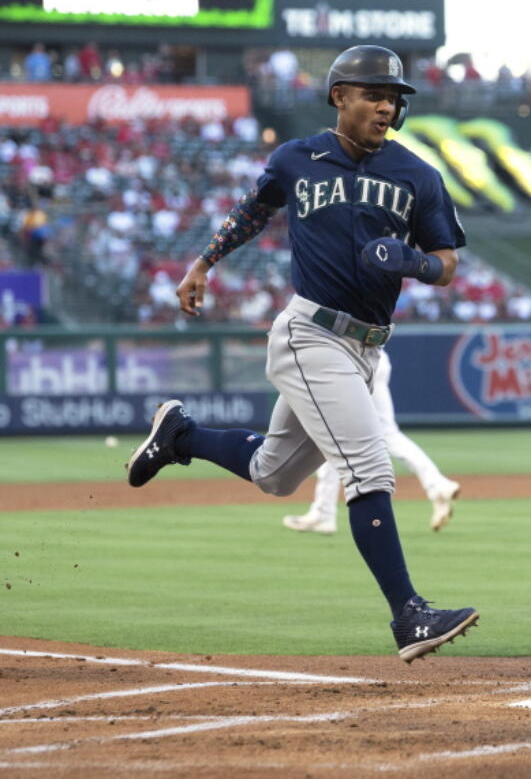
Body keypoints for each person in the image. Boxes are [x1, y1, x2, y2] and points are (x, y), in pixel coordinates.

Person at [124, 45, 478, 665]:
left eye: (394, 97)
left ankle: (179, 436)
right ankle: (409, 616)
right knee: (370, 469)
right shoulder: (296, 158)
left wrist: (417, 263)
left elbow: (448, 262)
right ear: (339, 95)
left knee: (274, 473)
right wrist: (204, 263)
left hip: (365, 347)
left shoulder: (417, 175)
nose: (387, 105)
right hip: (311, 335)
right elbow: (253, 212)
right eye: (374, 94)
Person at [283, 349, 461, 535]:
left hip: (350, 361)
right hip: (372, 355)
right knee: (372, 433)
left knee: (332, 432)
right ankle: (438, 485)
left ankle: (323, 513)